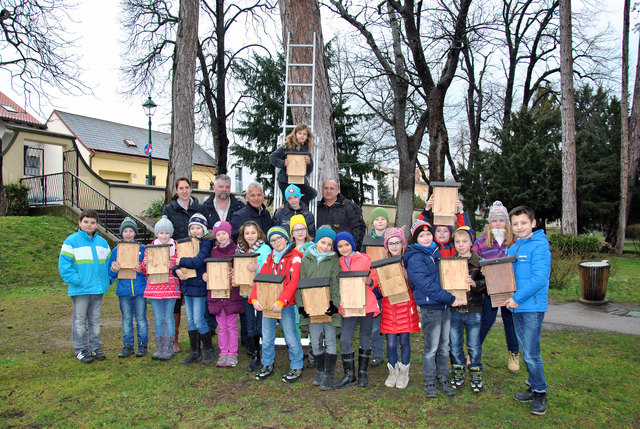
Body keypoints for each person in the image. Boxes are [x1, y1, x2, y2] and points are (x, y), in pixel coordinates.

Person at [403, 220, 459, 398]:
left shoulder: (436, 253)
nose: (426, 238)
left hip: (443, 306)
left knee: (444, 346)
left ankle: (443, 378)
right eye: (421, 235)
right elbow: (425, 285)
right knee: (431, 347)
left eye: (428, 234)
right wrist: (450, 298)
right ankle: (429, 380)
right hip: (431, 306)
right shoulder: (415, 257)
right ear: (416, 239)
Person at [504, 206, 551, 416]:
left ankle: (540, 392)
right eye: (515, 224)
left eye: (523, 223)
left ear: (533, 223)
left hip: (531, 306)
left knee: (531, 352)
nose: (519, 227)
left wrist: (516, 298)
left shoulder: (539, 246)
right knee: (525, 349)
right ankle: (533, 386)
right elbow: (505, 276)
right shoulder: (513, 248)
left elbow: (539, 279)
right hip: (517, 308)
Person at [249, 226, 305, 383]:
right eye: (272, 240)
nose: (276, 242)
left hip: (284, 305)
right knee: (267, 336)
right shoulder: (270, 258)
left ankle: (296, 365)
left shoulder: (295, 257)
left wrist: (281, 301)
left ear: (286, 239)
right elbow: (260, 279)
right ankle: (267, 364)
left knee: (290, 336)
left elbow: (293, 282)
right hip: (267, 304)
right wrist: (254, 299)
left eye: (279, 238)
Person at [58, 209, 111, 363]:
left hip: (97, 289)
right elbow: (64, 266)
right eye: (86, 222)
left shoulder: (102, 243)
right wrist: (77, 280)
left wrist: (107, 280)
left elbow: (108, 265)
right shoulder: (71, 241)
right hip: (81, 289)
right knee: (79, 320)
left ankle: (95, 347)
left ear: (97, 225)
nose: (89, 225)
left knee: (94, 319)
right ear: (80, 223)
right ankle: (81, 349)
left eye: (92, 222)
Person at [474, 201, 520, 373]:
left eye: (501, 220)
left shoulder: (515, 241)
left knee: (511, 322)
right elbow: (473, 262)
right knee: (487, 320)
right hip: (489, 289)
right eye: (495, 220)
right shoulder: (481, 241)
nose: (498, 223)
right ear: (489, 223)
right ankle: (473, 351)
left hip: (510, 289)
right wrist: (480, 269)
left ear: (506, 222)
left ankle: (514, 353)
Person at [333, 231, 380, 389]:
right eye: (340, 246)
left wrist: (370, 281)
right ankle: (349, 374)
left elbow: (375, 279)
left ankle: (362, 373)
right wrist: (341, 307)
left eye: (346, 244)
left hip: (366, 304)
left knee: (365, 337)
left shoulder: (365, 258)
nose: (344, 248)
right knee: (345, 339)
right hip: (349, 306)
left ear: (352, 244)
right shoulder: (338, 263)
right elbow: (338, 288)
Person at [297, 226, 341, 390]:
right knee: (315, 341)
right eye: (323, 242)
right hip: (312, 308)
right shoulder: (306, 259)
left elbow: (336, 284)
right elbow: (301, 284)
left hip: (328, 308)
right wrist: (302, 306)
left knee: (329, 339)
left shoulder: (333, 260)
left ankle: (329, 373)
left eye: (329, 245)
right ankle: (320, 370)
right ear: (317, 241)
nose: (325, 247)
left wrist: (334, 304)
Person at [162, 177, 201, 353]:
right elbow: (165, 233)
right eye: (181, 188)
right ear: (176, 190)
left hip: (194, 259)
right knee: (176, 301)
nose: (185, 191)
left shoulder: (198, 208)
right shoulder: (169, 209)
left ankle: (198, 339)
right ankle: (174, 339)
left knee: (197, 300)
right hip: (176, 258)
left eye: (187, 187)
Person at [380, 226, 420, 389]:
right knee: (390, 343)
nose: (394, 246)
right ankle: (393, 370)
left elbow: (417, 283)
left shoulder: (408, 261)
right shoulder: (382, 264)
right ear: (387, 246)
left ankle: (404, 372)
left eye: (397, 243)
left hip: (406, 305)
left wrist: (407, 276)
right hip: (389, 307)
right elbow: (378, 285)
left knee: (404, 341)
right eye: (391, 243)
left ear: (402, 244)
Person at [448, 226, 486, 393]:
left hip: (474, 309)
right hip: (455, 310)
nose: (461, 245)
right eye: (457, 242)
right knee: (455, 344)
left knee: (474, 344)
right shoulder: (449, 262)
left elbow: (487, 285)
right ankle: (458, 371)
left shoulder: (480, 262)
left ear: (471, 242)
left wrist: (475, 284)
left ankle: (476, 373)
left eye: (464, 241)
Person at [174, 213, 215, 365]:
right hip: (187, 288)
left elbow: (198, 261)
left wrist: (180, 261)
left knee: (199, 319)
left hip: (199, 287)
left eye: (198, 228)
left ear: (203, 229)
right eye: (192, 228)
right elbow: (176, 263)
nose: (195, 231)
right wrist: (176, 269)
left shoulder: (206, 244)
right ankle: (195, 352)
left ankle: (209, 350)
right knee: (191, 321)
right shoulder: (185, 244)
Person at [203, 221, 242, 367]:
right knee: (221, 326)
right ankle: (223, 352)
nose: (221, 236)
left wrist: (235, 272)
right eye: (218, 234)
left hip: (232, 295)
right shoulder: (213, 251)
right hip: (217, 295)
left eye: (224, 233)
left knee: (231, 325)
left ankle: (232, 353)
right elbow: (209, 269)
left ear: (229, 233)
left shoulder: (237, 250)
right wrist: (205, 275)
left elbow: (240, 270)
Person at [107, 217, 148, 358]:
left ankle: (143, 345)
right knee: (126, 319)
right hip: (123, 291)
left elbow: (148, 269)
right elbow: (109, 272)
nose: (128, 234)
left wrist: (141, 269)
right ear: (121, 233)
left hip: (139, 290)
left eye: (131, 231)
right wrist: (113, 269)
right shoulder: (116, 250)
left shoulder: (142, 250)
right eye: (125, 231)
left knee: (141, 319)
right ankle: (128, 345)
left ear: (135, 233)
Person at [141, 216, 181, 361]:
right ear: (156, 234)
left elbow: (179, 266)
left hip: (170, 287)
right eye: (161, 233)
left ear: (170, 234)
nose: (164, 236)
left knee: (168, 317)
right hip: (154, 288)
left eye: (167, 233)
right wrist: (145, 264)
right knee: (158, 318)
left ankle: (168, 347)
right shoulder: (150, 248)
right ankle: (159, 348)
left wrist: (173, 265)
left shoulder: (175, 248)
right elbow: (145, 271)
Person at [235, 221, 271, 372]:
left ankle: (266, 357)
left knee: (262, 324)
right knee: (249, 323)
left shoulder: (265, 249)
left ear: (259, 233)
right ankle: (254, 355)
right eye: (247, 233)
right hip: (246, 292)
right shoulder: (241, 250)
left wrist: (257, 267)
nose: (250, 236)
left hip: (261, 292)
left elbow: (270, 267)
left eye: (253, 232)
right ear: (243, 235)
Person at [269, 124, 318, 205]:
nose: (302, 136)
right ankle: (289, 207)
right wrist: (282, 162)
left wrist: (309, 162)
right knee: (288, 201)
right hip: (285, 180)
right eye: (299, 133)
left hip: (299, 181)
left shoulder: (306, 151)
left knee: (313, 193)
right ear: (295, 134)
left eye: (304, 134)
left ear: (307, 136)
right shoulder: (287, 146)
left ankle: (297, 204)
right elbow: (273, 157)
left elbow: (309, 171)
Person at [366, 206, 390, 367]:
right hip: (373, 288)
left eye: (382, 219)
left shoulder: (393, 239)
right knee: (374, 326)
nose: (380, 222)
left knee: (391, 322)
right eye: (377, 219)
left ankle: (394, 350)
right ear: (372, 223)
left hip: (389, 285)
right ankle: (378, 353)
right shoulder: (367, 241)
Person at [316, 179, 366, 251]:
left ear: (337, 191)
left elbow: (359, 229)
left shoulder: (350, 207)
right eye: (326, 188)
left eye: (332, 188)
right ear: (322, 190)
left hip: (343, 253)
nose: (328, 191)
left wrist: (354, 251)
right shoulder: (316, 208)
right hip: (322, 252)